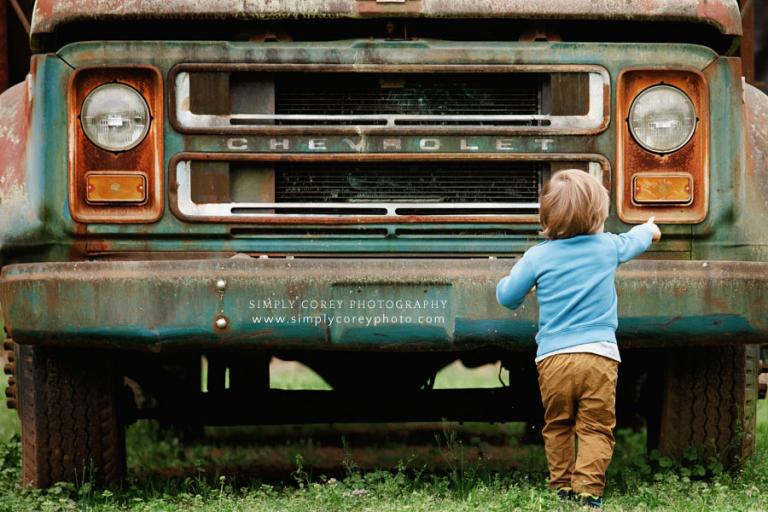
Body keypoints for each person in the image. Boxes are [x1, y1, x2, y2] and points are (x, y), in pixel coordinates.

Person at [495, 169, 661, 509]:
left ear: (547, 218)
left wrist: (505, 281)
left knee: (558, 425)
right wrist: (650, 229)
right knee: (596, 427)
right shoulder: (607, 247)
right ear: (598, 214)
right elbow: (636, 240)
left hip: (553, 360)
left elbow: (508, 296)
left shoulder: (537, 256)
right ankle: (589, 491)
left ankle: (561, 486)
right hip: (599, 358)